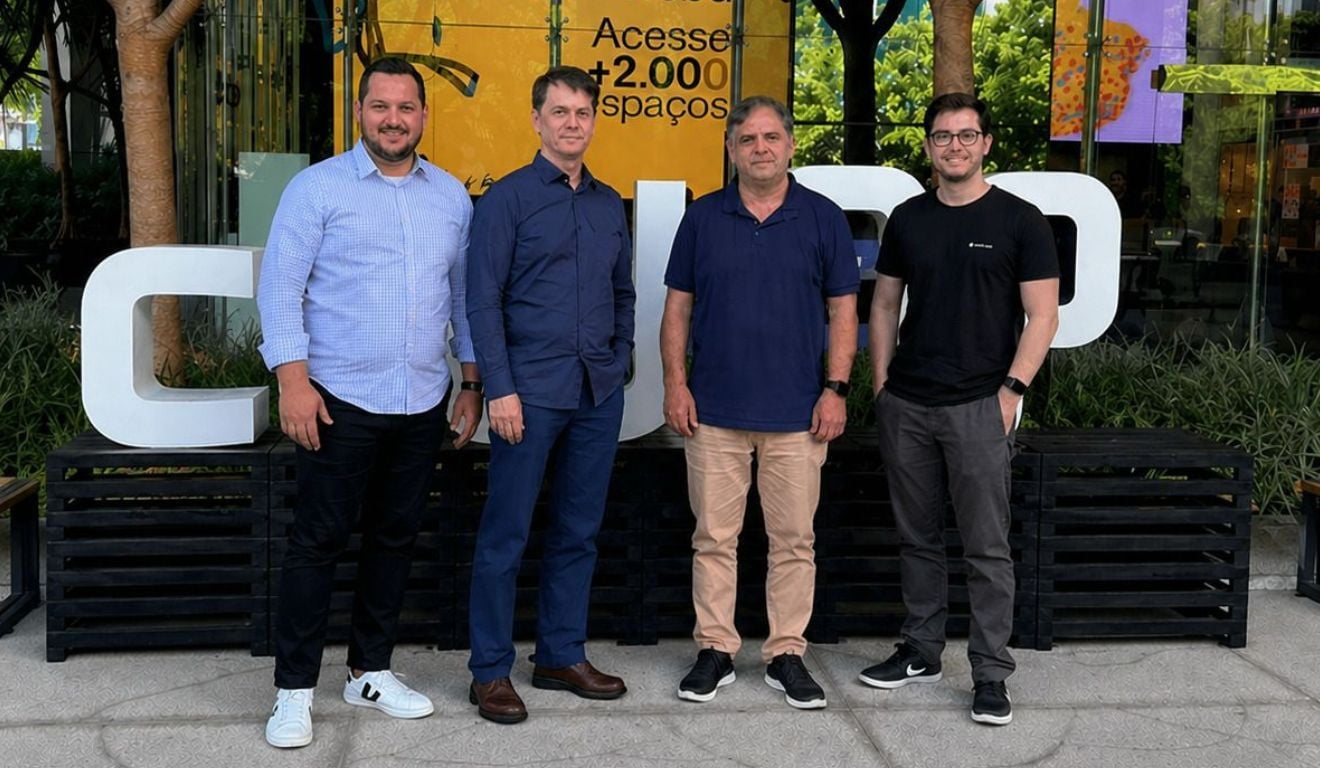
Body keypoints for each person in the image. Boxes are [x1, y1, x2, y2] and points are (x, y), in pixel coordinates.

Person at [256, 57, 482, 748]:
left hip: (421, 399)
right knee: (317, 543)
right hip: (337, 399)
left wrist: (471, 382)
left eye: (406, 107)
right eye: (380, 106)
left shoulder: (451, 197)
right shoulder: (316, 189)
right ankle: (294, 691)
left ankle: (369, 671)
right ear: (359, 112)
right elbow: (279, 286)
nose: (393, 119)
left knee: (395, 537)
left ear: (424, 115)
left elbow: (463, 299)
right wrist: (292, 381)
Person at [859, 92, 1059, 726]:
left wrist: (1011, 392)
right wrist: (882, 383)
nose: (955, 146)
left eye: (966, 135)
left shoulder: (1021, 221)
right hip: (908, 403)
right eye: (943, 136)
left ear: (986, 143)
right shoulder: (908, 219)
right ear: (928, 146)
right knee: (916, 537)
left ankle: (991, 673)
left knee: (986, 548)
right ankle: (921, 651)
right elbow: (884, 304)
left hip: (979, 405)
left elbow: (1043, 316)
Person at [661, 95, 859, 710]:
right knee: (713, 539)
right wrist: (675, 383)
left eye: (772, 137)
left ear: (791, 145)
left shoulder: (823, 218)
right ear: (731, 149)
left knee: (794, 541)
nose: (761, 149)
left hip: (799, 416)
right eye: (748, 139)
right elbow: (677, 309)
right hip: (714, 412)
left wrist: (836, 389)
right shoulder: (702, 217)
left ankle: (785, 654)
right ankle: (716, 649)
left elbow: (844, 311)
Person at [464, 65, 635, 725]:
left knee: (578, 531)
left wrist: (618, 360)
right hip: (528, 395)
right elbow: (483, 301)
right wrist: (499, 389)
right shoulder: (506, 200)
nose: (572, 123)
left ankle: (561, 654)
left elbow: (622, 293)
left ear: (594, 121)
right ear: (536, 120)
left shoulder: (607, 203)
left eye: (582, 112)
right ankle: (489, 671)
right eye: (559, 112)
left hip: (596, 393)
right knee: (505, 534)